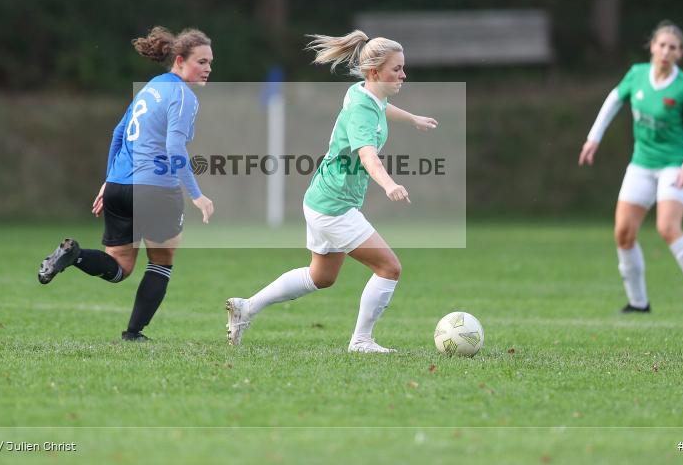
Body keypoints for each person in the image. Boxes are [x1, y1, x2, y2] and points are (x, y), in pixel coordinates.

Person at [225, 30, 439, 353]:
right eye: (397, 69)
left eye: (403, 68)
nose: (403, 75)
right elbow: (368, 155)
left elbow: (383, 109)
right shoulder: (362, 110)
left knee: (321, 277)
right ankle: (362, 341)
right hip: (335, 206)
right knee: (389, 268)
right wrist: (390, 184)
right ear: (374, 72)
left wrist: (413, 119)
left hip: (321, 199)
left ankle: (246, 308)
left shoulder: (363, 93)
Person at [38, 26, 216, 341]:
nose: (208, 69)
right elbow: (175, 149)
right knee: (162, 262)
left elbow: (118, 132)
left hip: (120, 184)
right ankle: (133, 333)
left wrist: (109, 181)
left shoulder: (150, 88)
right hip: (156, 189)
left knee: (119, 267)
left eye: (210, 62)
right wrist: (197, 194)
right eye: (201, 62)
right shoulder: (183, 96)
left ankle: (74, 255)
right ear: (179, 60)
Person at [579, 20, 683, 315]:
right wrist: (594, 138)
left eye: (673, 47)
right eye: (662, 45)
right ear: (652, 47)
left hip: (673, 165)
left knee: (667, 228)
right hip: (641, 164)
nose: (666, 51)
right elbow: (613, 101)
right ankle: (638, 302)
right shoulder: (637, 75)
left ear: (680, 53)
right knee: (623, 233)